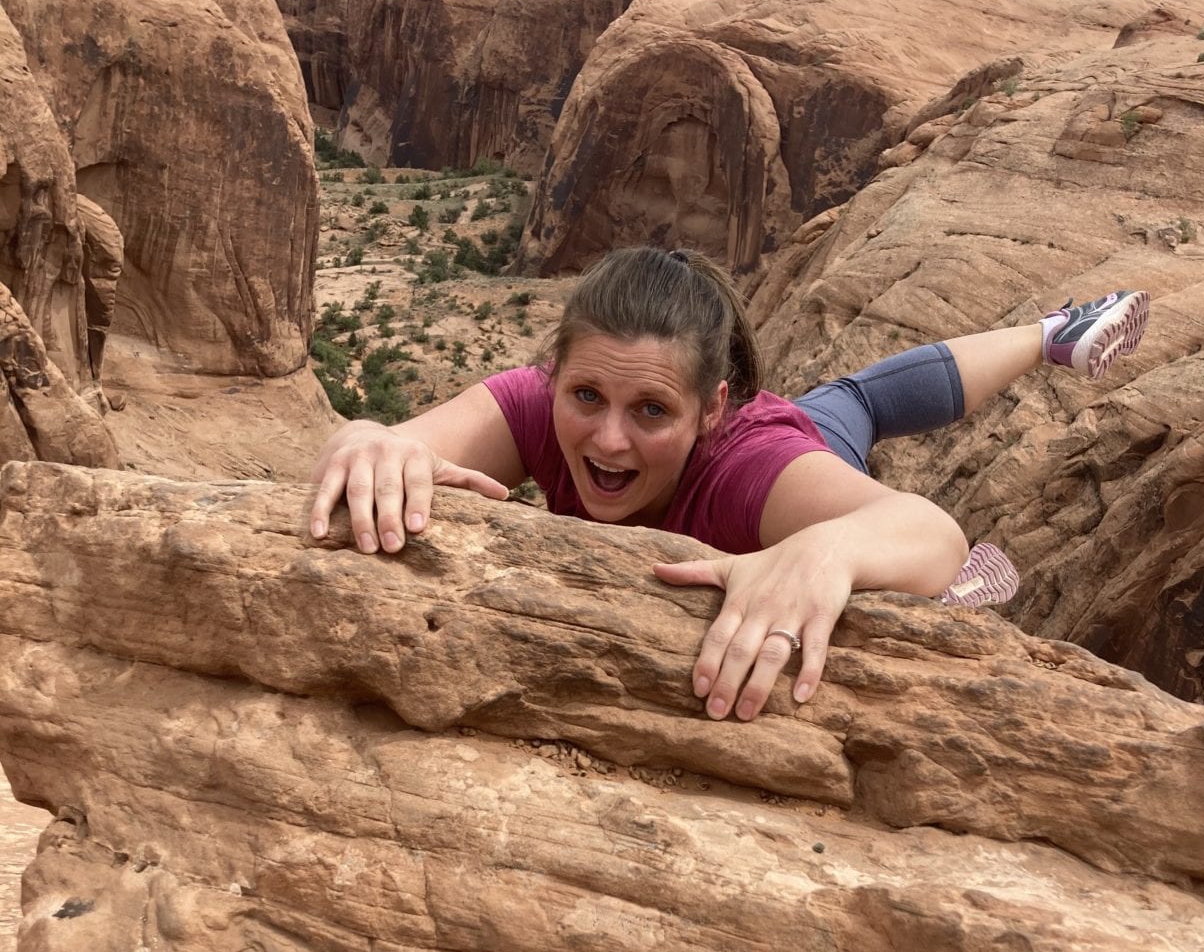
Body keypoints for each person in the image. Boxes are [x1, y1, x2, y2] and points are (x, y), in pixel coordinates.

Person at [309, 248, 1148, 724]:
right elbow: (396, 444)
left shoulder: (754, 470)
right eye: (587, 397)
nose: (606, 437)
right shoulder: (534, 405)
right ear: (553, 374)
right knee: (853, 398)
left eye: (650, 410)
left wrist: (827, 550)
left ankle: (1047, 335)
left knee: (843, 416)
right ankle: (1057, 330)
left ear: (711, 410)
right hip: (779, 426)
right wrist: (369, 442)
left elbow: (933, 535)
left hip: (793, 458)